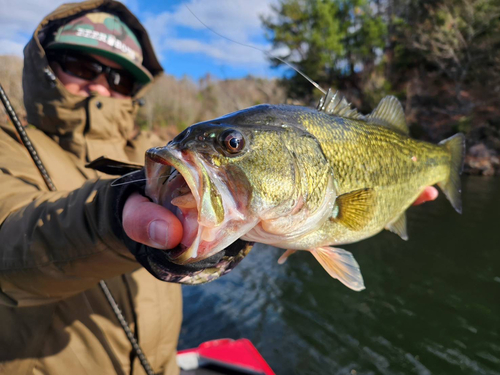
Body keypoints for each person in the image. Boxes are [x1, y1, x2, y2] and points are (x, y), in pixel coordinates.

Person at [0, 1, 438, 374]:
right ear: (45, 66)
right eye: (80, 65)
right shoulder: (9, 145)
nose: (101, 85)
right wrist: (111, 219)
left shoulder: (142, 150)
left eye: (121, 78)